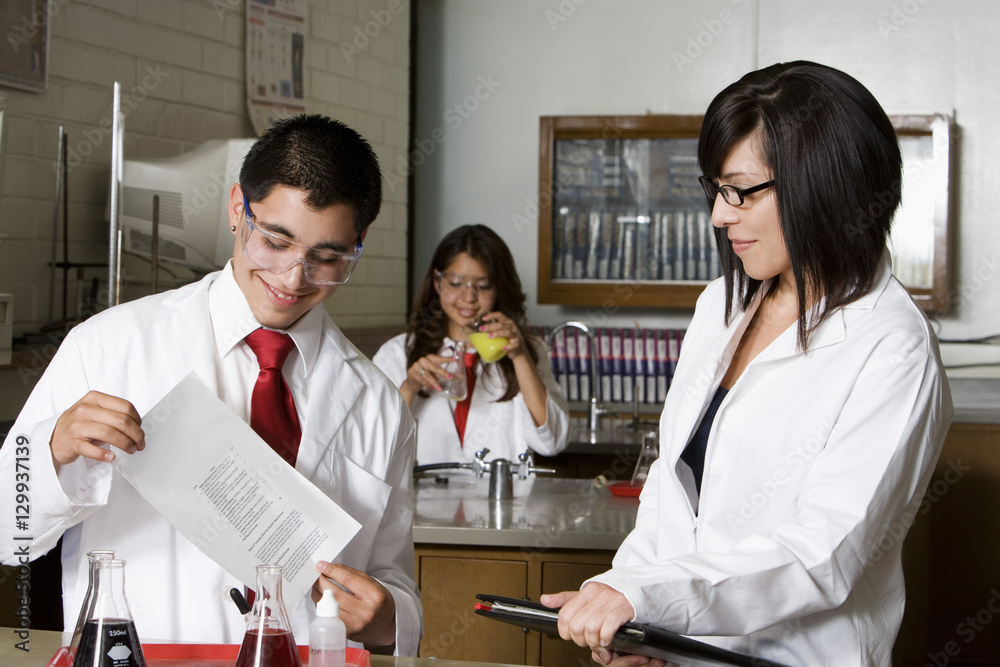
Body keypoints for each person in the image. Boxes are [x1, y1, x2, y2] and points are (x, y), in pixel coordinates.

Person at [540, 61, 954, 667]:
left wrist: (647, 596)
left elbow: (822, 554)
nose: (719, 216)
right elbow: (670, 492)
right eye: (715, 190)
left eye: (741, 191)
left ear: (824, 185)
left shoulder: (893, 346)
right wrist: (633, 616)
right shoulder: (722, 305)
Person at [0, 115, 422, 654]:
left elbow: (397, 589)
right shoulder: (110, 346)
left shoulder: (381, 406)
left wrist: (386, 617)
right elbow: (7, 533)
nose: (294, 278)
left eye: (327, 257)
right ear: (236, 210)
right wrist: (53, 453)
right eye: (275, 240)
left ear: (357, 244)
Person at [372, 224, 569, 465]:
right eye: (455, 283)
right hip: (425, 499)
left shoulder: (529, 351)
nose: (468, 297)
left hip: (503, 500)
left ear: (498, 288)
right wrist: (410, 387)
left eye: (483, 286)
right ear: (438, 282)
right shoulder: (397, 353)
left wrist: (519, 356)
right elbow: (373, 448)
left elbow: (552, 442)